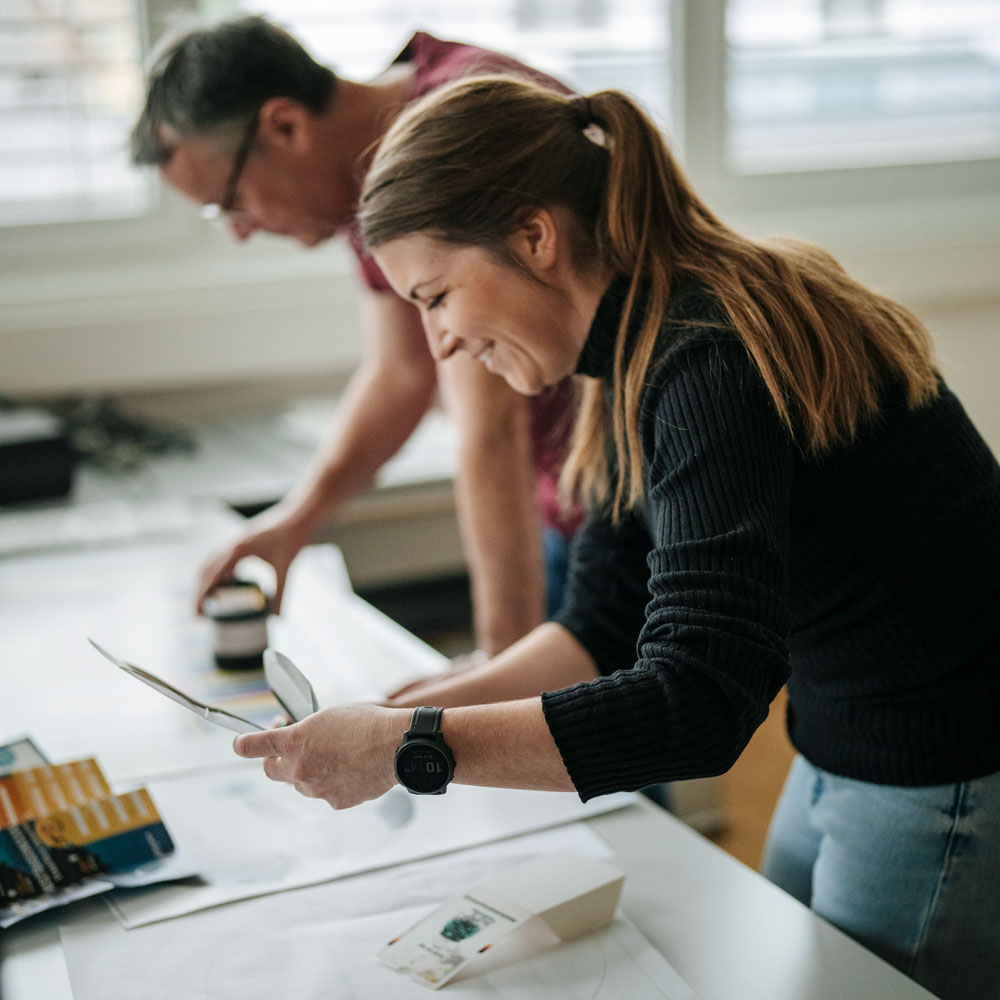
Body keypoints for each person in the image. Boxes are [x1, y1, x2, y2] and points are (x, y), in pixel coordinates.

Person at [232, 74, 1000, 999]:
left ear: (534, 237)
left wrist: (413, 744)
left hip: (945, 760)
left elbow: (699, 704)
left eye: (436, 296)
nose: (435, 344)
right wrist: (412, 714)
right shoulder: (633, 345)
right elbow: (599, 622)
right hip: (848, 734)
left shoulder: (708, 353)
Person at [129, 16, 580, 654]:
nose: (239, 231)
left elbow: (492, 423)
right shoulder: (363, 173)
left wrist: (497, 665)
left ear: (285, 125)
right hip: (564, 498)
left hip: (636, 489)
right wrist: (294, 520)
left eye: (229, 202)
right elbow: (400, 373)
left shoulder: (447, 132)